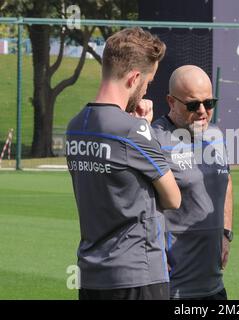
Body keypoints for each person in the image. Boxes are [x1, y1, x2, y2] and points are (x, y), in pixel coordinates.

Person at [66, 27, 181, 300]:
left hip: (92, 275)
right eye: (148, 83)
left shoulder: (75, 126)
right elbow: (173, 199)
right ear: (134, 78)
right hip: (136, 274)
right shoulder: (133, 132)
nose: (145, 91)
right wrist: (145, 130)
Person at [152, 65, 233, 300]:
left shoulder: (215, 136)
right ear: (171, 101)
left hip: (213, 285)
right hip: (172, 288)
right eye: (192, 105)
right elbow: (138, 201)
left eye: (209, 103)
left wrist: (226, 232)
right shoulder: (154, 139)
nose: (202, 111)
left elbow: (226, 181)